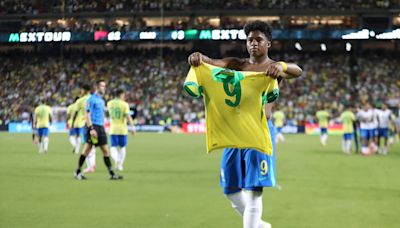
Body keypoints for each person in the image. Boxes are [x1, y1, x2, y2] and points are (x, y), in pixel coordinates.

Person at [188, 20, 302, 228]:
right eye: (250, 40)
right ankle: (259, 225)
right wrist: (199, 58)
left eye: (259, 40)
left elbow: (298, 71)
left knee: (254, 190)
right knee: (230, 189)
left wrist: (282, 66)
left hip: (259, 131)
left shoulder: (273, 68)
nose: (253, 44)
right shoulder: (238, 65)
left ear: (269, 43)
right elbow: (213, 62)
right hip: (233, 132)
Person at [74, 80, 122, 180]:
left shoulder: (102, 100)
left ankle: (112, 174)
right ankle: (78, 172)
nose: (104, 88)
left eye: (105, 86)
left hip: (100, 127)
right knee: (87, 150)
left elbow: (102, 115)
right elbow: (87, 114)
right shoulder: (91, 99)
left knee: (105, 150)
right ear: (96, 87)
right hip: (93, 127)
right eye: (102, 86)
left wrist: (104, 126)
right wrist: (91, 128)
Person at [107, 89, 135, 171]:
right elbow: (128, 117)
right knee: (122, 147)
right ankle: (120, 164)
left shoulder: (109, 103)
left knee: (113, 147)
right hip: (122, 129)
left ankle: (116, 160)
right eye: (123, 95)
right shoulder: (124, 104)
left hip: (113, 128)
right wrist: (133, 128)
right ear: (121, 95)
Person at [72, 83, 96, 172]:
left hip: (85, 125)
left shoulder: (80, 101)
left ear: (85, 90)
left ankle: (90, 166)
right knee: (92, 145)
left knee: (86, 146)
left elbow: (75, 114)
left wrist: (72, 123)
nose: (80, 92)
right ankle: (93, 165)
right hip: (95, 124)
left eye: (81, 90)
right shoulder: (95, 99)